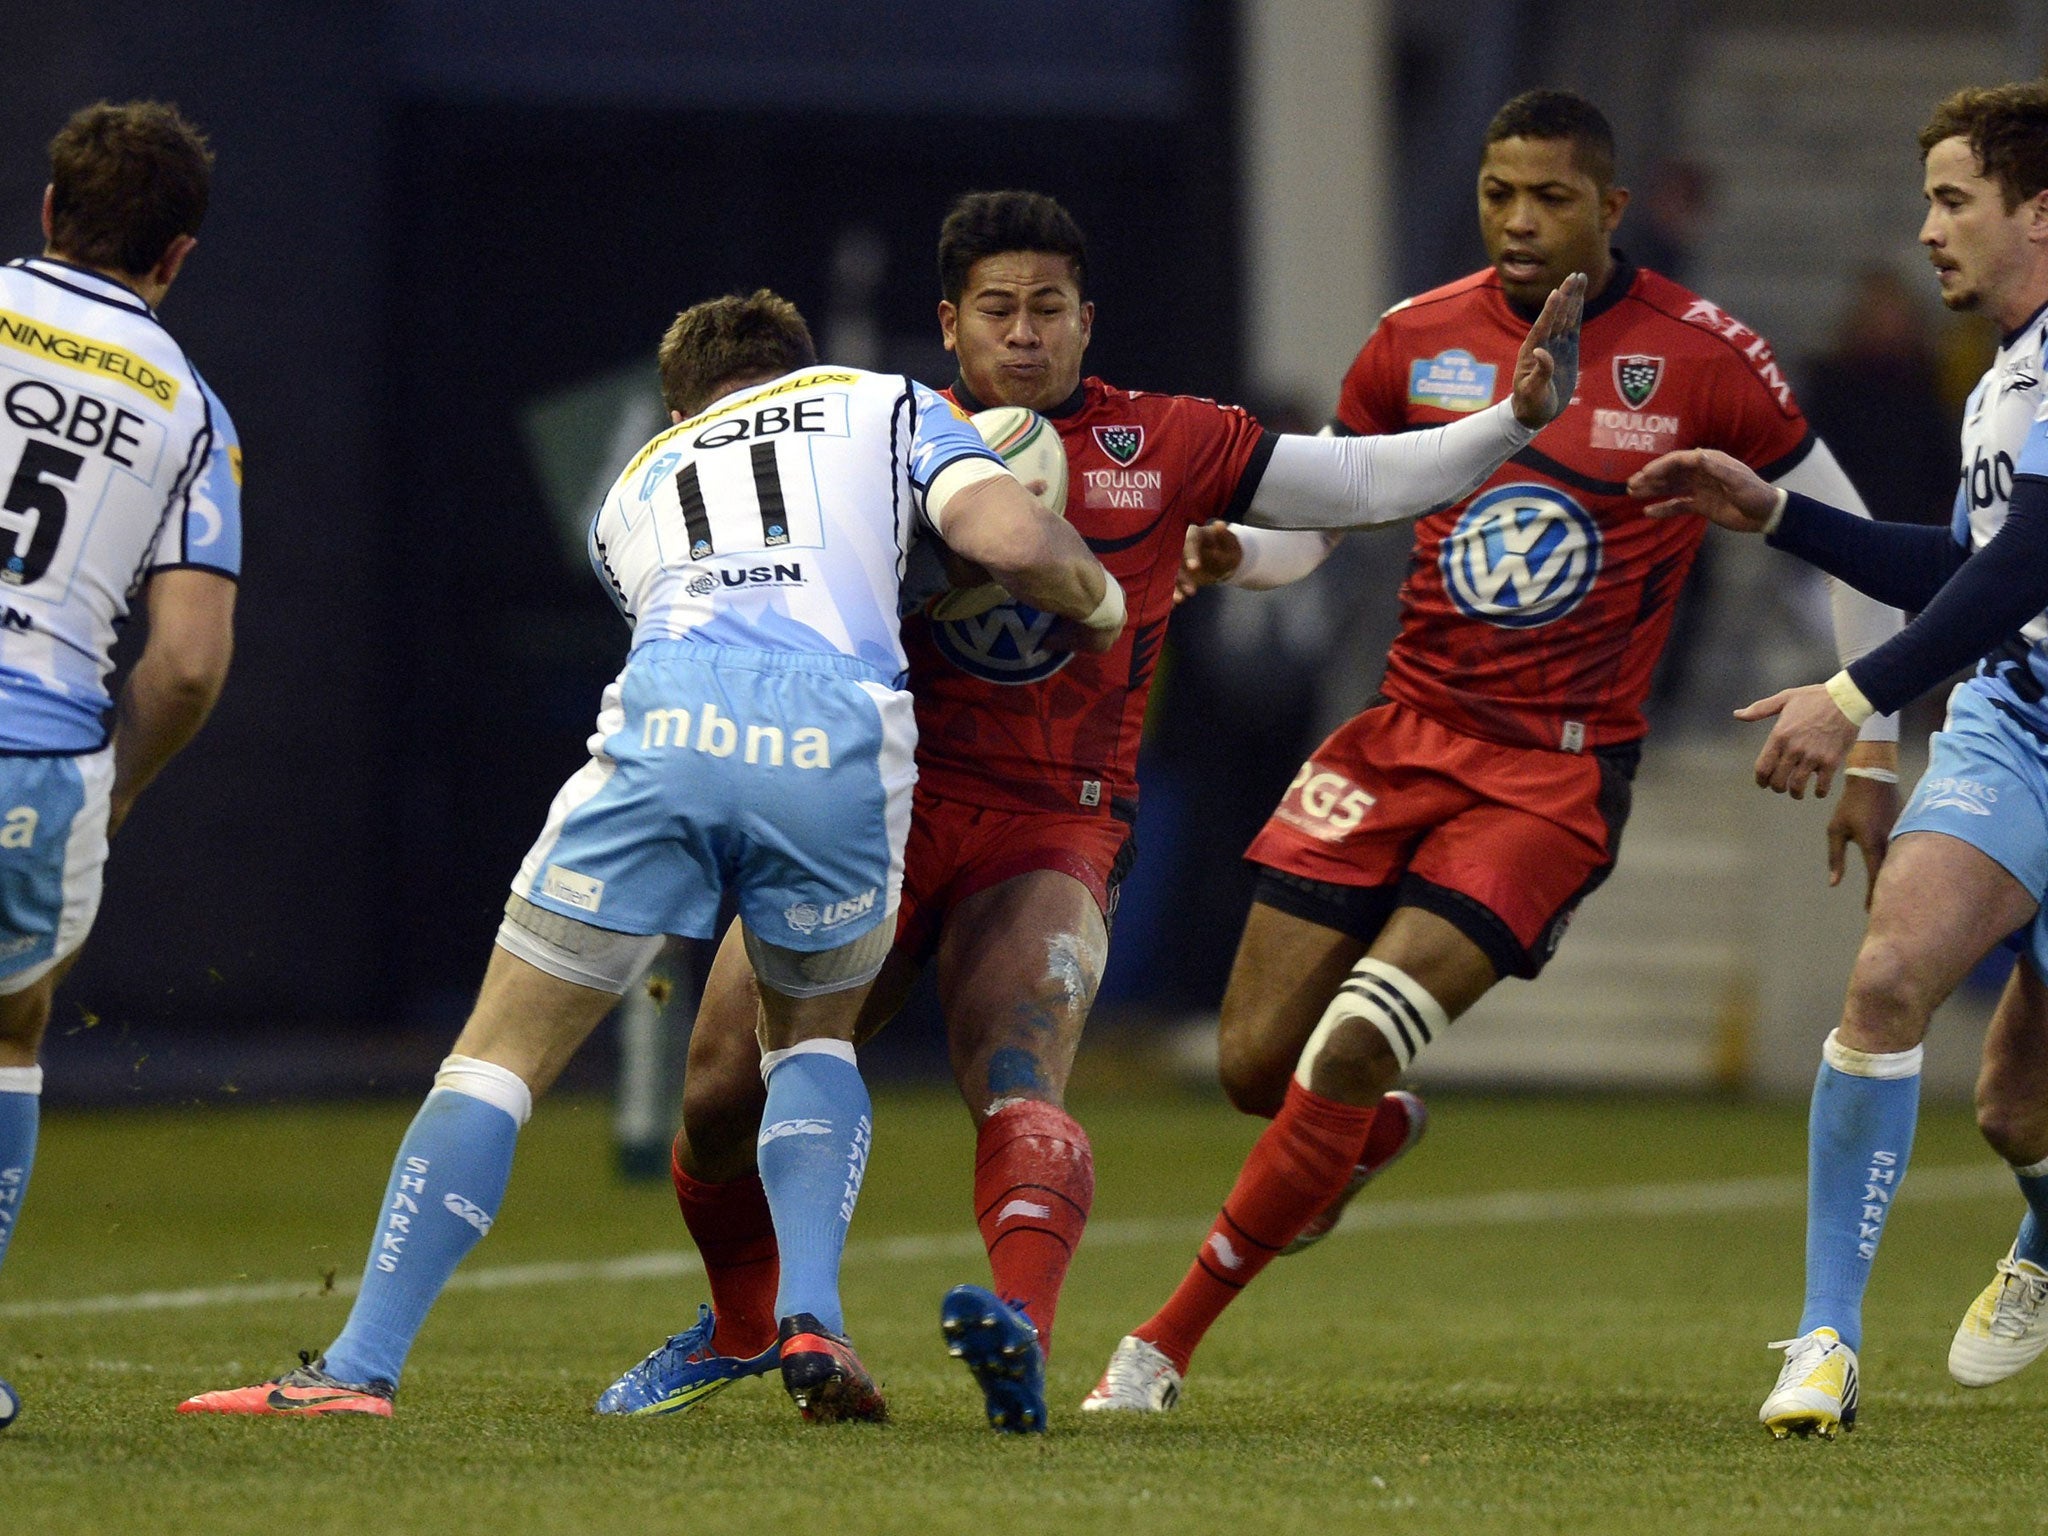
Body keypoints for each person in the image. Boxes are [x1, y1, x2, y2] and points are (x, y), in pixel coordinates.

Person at [598, 190, 1584, 1433]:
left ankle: (1019, 1339)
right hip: (873, 803)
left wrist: (1509, 421)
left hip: (1050, 822)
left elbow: (1354, 481)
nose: (1024, 334)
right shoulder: (872, 435)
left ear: (1085, 320)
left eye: (1048, 309)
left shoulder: (1168, 440)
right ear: (949, 325)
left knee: (1016, 1073)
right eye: (997, 310)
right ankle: (743, 1322)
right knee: (717, 1081)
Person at [1082, 89, 1904, 1415]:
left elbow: (1847, 541)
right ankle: (1374, 1134)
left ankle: (1160, 1346)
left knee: (1352, 1039)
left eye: (1552, 199)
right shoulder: (1416, 342)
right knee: (1252, 1069)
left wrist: (1868, 739)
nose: (1520, 224)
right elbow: (1326, 518)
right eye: (1498, 195)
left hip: (1554, 775)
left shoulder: (1705, 358)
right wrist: (1240, 553)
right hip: (1400, 737)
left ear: (1612, 209)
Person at [178, 289, 1121, 1424]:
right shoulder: (889, 402)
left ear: (678, 403)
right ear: (796, 367)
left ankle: (359, 1368)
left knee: (498, 1057)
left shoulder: (631, 482)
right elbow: (1006, 541)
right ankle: (811, 1317)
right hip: (840, 735)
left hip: (676, 717)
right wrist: (1098, 598)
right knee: (811, 1040)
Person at [1630, 81, 2048, 1438]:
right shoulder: (2001, 384)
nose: (1926, 228)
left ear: (2036, 211)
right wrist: (1777, 516)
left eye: (1950, 199)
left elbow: (2036, 559)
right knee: (1887, 978)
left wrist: (1856, 689)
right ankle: (1826, 1343)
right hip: (2016, 724)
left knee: (2011, 1108)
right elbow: (1977, 572)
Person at [0, 101, 239, 1430]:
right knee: (7, 1036)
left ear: (49, 210)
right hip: (36, 757)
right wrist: (115, 786)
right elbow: (188, 663)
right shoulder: (188, 408)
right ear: (179, 253)